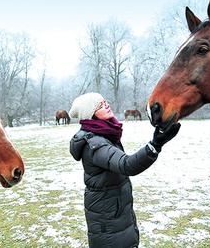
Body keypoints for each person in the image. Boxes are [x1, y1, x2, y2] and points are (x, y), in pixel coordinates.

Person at [69, 92, 180, 248]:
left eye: (105, 101)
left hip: (114, 211)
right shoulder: (95, 144)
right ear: (90, 114)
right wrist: (155, 145)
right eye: (99, 105)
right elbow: (127, 165)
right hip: (108, 219)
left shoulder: (103, 135)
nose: (106, 105)